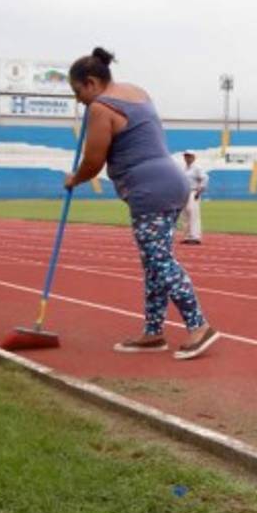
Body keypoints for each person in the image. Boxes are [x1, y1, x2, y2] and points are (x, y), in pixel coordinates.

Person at [64, 48, 220, 360]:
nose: (79, 100)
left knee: (160, 262)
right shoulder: (136, 92)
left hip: (151, 190)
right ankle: (153, 332)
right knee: (153, 263)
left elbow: (93, 160)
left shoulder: (100, 108)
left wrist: (75, 179)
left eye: (78, 91)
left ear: (91, 82)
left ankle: (199, 326)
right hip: (170, 181)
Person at [180, 151, 207, 245]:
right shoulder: (184, 168)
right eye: (186, 156)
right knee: (185, 214)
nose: (187, 158)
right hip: (184, 192)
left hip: (193, 191)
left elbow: (204, 178)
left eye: (189, 156)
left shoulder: (197, 168)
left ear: (193, 157)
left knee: (193, 213)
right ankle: (187, 236)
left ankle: (195, 236)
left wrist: (200, 190)